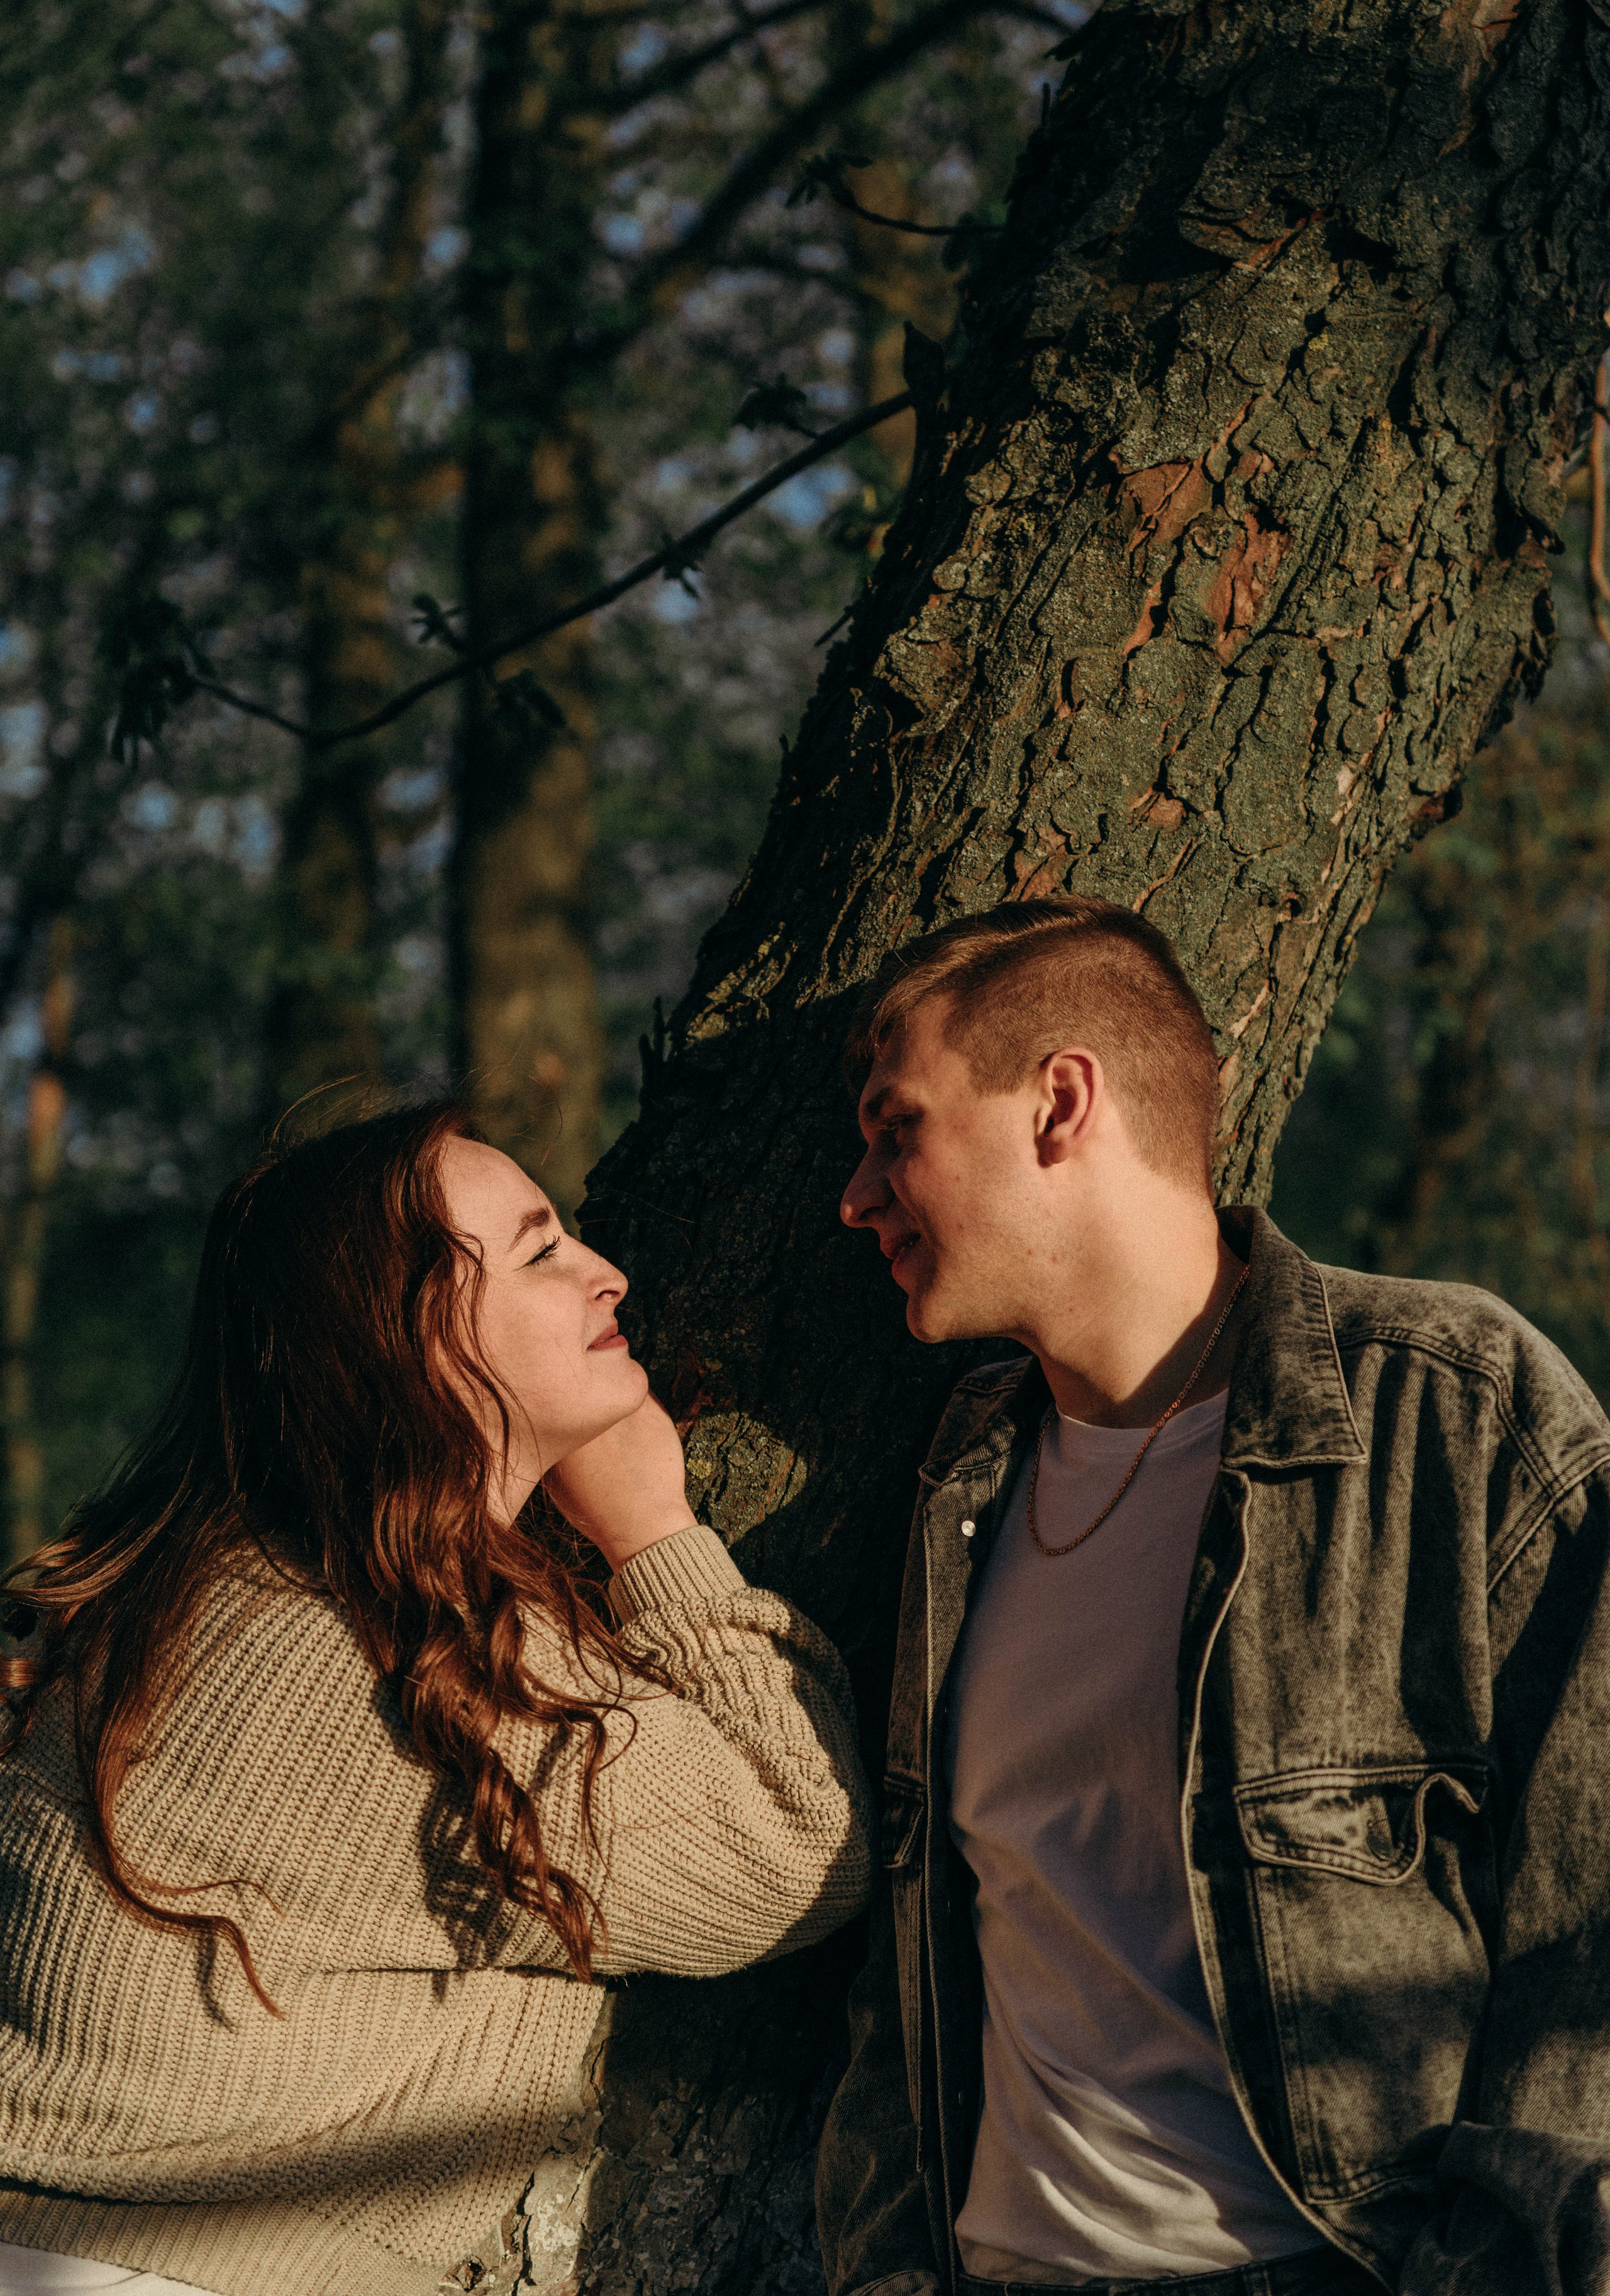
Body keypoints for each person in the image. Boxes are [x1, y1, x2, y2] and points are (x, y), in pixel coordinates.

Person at [815, 894, 1610, 2296]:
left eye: (898, 1130)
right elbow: (921, 1953)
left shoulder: (1449, 1411)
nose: (856, 1193)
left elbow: (1588, 1928)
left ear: (1060, 1103)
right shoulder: (960, 1482)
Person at [0, 1102, 872, 2296]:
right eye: (541, 1251)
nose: (608, 1274)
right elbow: (801, 1849)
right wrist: (656, 1533)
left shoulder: (223, 1585)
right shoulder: (380, 1661)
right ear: (414, 1338)